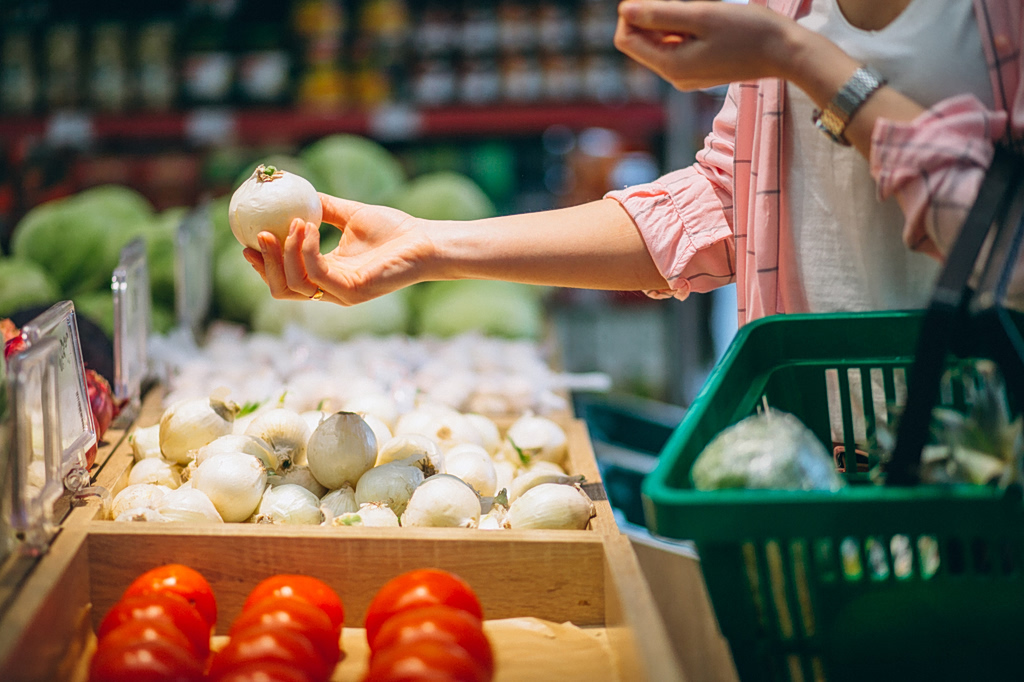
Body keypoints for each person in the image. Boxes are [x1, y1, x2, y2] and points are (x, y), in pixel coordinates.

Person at [244, 0, 1021, 328]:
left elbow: (1007, 250)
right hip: (818, 446)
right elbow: (726, 205)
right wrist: (432, 246)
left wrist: (803, 61)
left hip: (989, 455)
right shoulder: (788, 9)